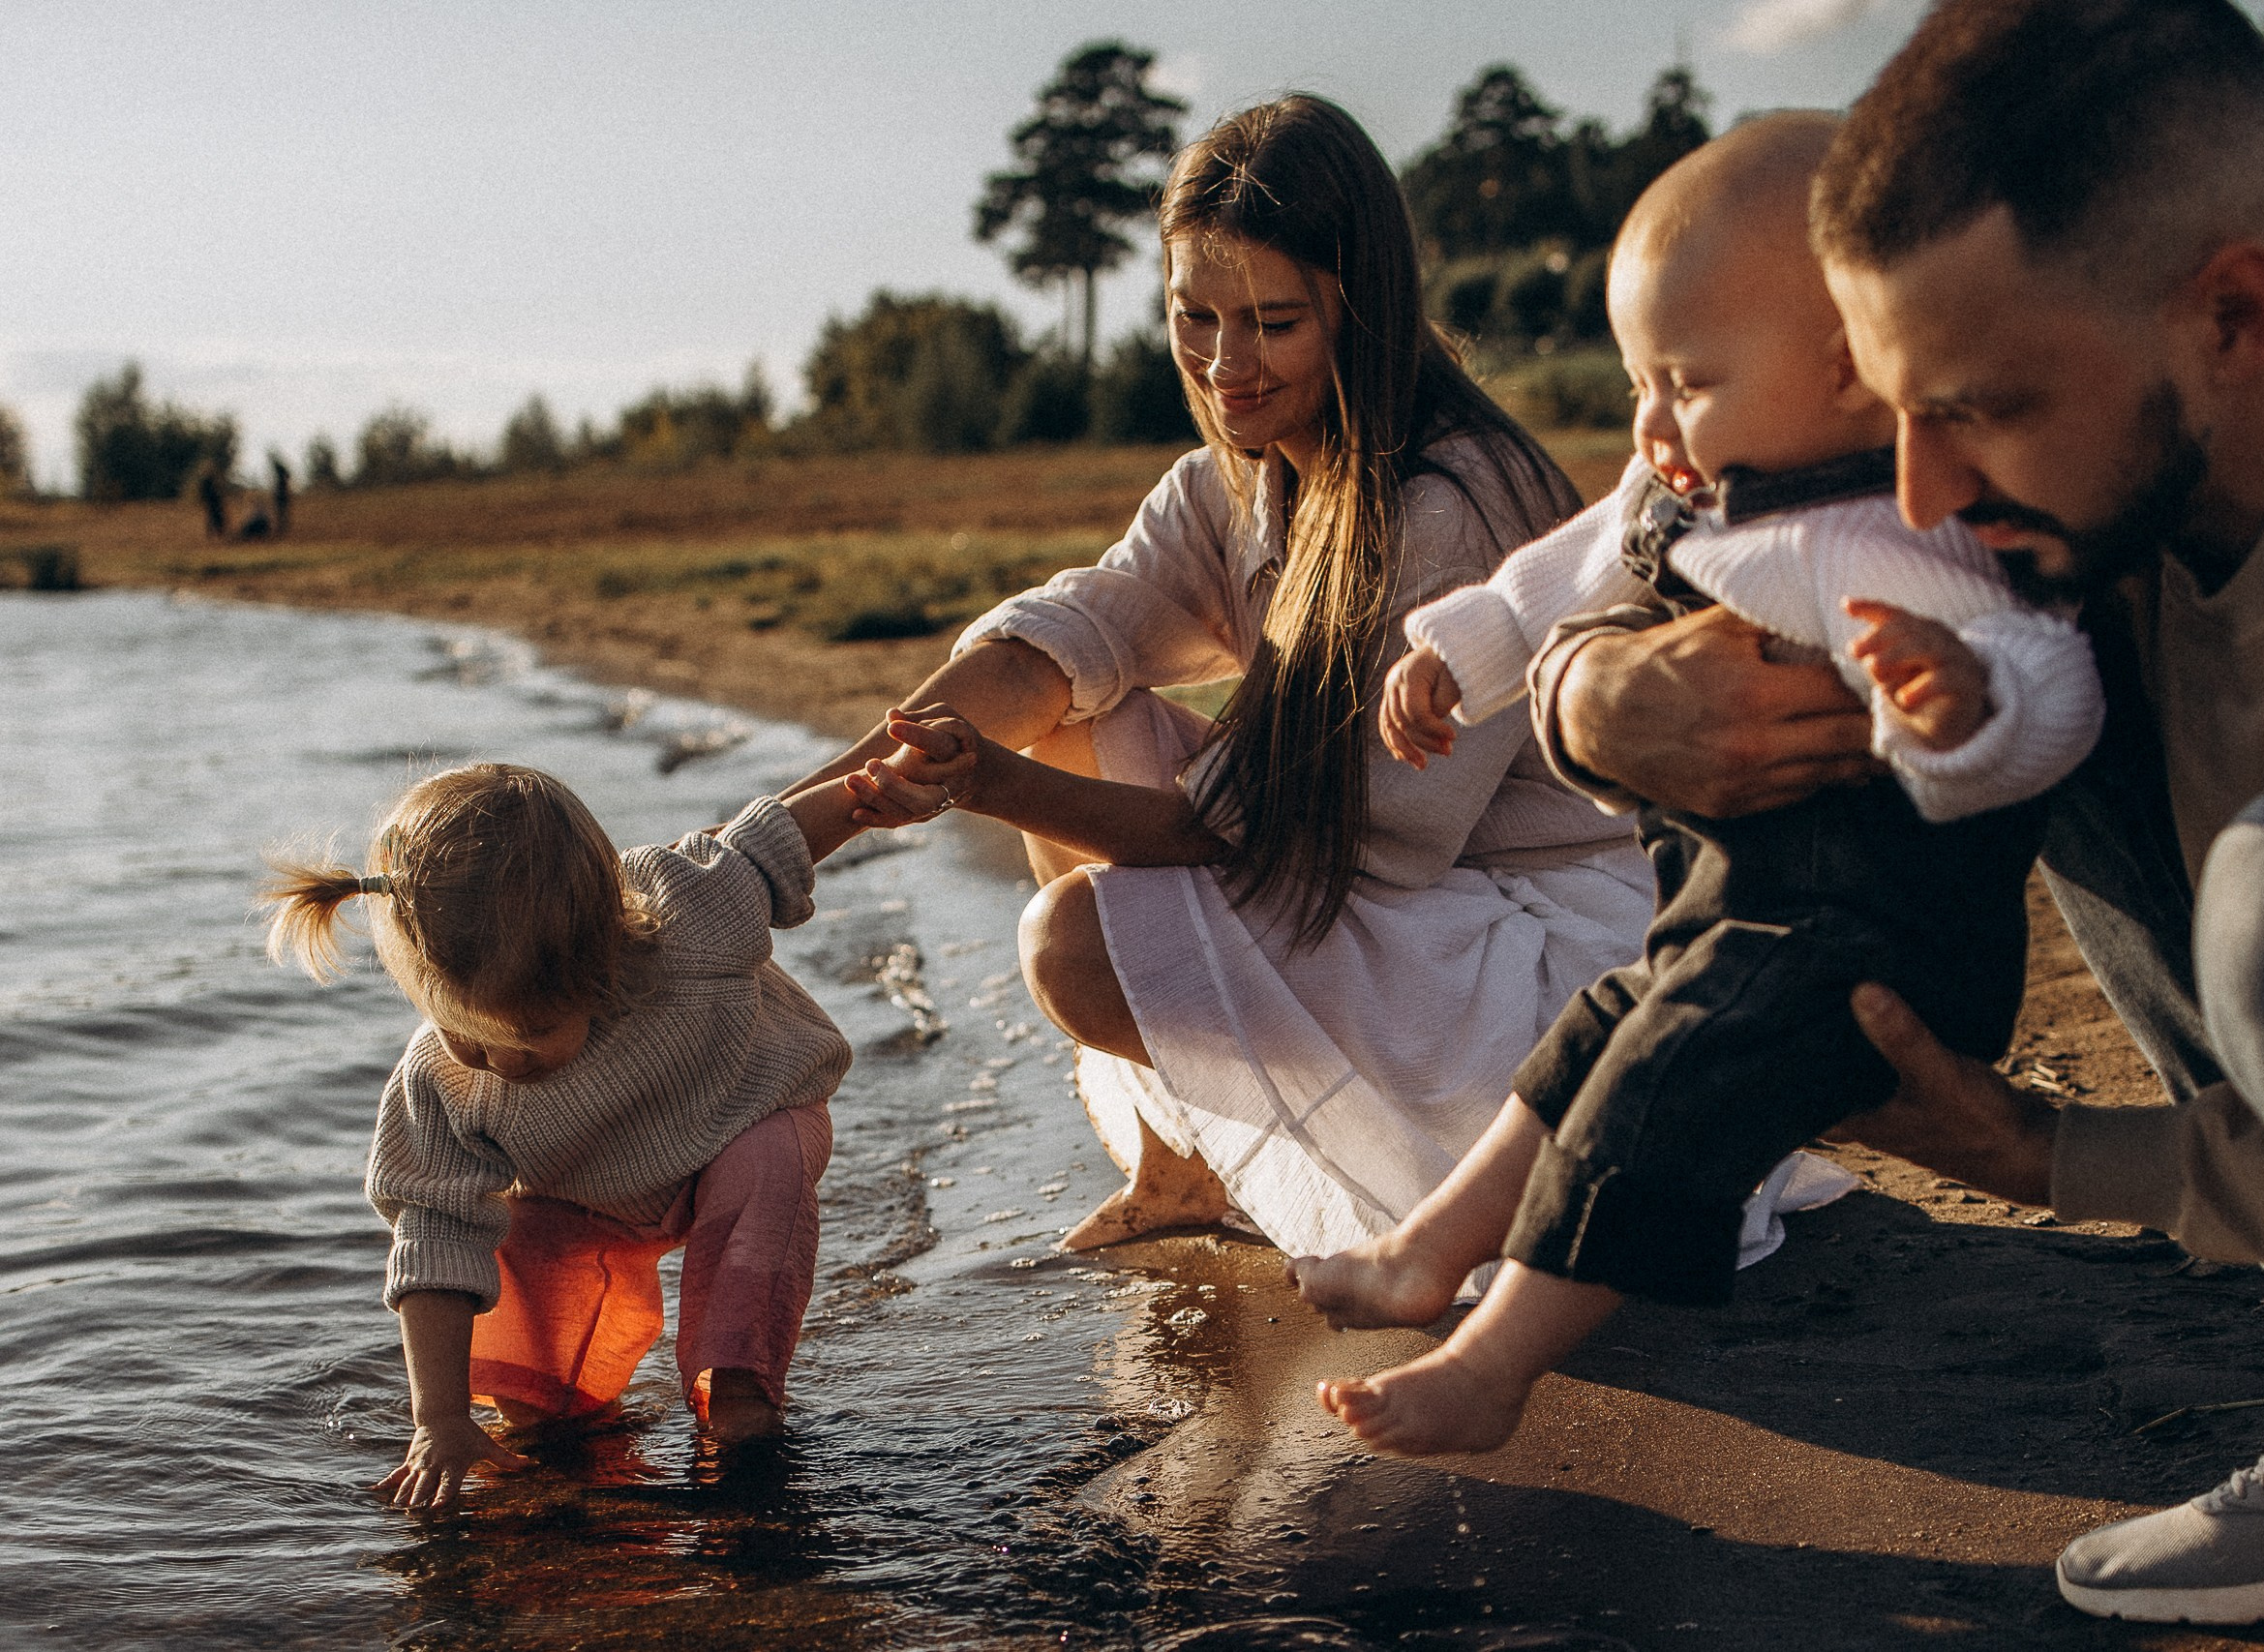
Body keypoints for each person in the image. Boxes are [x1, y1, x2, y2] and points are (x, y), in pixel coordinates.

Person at [1549, 0, 2264, 1624]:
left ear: (2237, 315)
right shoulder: (2151, 367)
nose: (1915, 491)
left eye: (1974, 408)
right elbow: (1679, 507)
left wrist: (2061, 1155)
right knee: (2016, 674)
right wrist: (1597, 694)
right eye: (1893, 408)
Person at [1283, 113, 2101, 1456]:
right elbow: (1572, 564)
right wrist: (1463, 648)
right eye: (1635, 385)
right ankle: (1426, 1251)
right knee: (1609, 1020)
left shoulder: (1916, 520)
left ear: (1848, 367)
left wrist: (1968, 707)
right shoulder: (1693, 484)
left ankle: (1498, 1358)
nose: (1651, 423)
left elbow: (2050, 685)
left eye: (1684, 379)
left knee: (1667, 1067)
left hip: (1885, 947)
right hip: (1738, 912)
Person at [773, 95, 1660, 1262]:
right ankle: (1181, 1168)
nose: (1227, 366)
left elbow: (1285, 840)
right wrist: (778, 841)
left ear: (1361, 309)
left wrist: (983, 784)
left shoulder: (1451, 502)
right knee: (1080, 708)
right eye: (1196, 317)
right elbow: (1058, 643)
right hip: (1397, 892)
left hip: (1534, 940)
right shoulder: (1233, 483)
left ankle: (1388, 1172)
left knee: (1073, 947)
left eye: (1274, 323)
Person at [262, 755, 958, 1509]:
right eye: (465, 1032)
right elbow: (434, 1236)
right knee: (540, 1400)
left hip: (744, 1120)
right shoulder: (441, 1084)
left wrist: (880, 791)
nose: (498, 1059)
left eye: (528, 1033)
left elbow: (772, 842)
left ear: (602, 957)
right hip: (586, 1196)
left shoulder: (687, 916)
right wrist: (440, 1416)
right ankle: (563, 1433)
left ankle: (737, 1395)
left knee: (760, 1191)